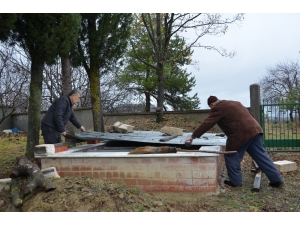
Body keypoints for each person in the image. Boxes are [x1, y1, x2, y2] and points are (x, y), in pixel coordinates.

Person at [185, 95, 284, 188]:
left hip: (240, 135)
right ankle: (276, 180)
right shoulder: (236, 103)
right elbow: (251, 114)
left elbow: (207, 123)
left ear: (212, 104)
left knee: (231, 156)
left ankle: (235, 182)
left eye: (211, 108)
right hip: (255, 130)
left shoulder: (218, 108)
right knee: (262, 156)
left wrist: (193, 136)